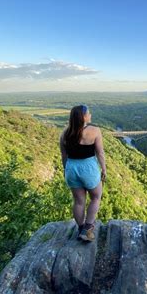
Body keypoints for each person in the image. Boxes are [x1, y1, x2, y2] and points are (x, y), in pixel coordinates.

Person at [59, 104, 106, 242]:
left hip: (71, 168)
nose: (90, 115)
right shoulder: (94, 131)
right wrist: (104, 169)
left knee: (79, 202)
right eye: (89, 113)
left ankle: (80, 228)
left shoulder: (65, 134)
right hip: (88, 168)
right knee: (96, 197)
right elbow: (100, 152)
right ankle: (87, 229)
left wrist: (66, 170)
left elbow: (64, 156)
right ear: (83, 117)